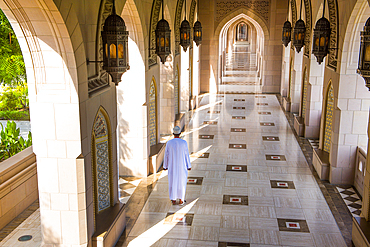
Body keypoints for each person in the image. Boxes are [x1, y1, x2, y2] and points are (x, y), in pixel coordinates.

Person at [163, 126, 191, 205]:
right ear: (180, 133)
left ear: (173, 134)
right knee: (181, 182)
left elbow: (166, 155)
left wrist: (165, 166)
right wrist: (188, 165)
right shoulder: (184, 142)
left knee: (173, 182)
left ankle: (173, 199)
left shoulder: (169, 143)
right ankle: (181, 199)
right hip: (182, 166)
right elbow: (186, 155)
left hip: (172, 166)